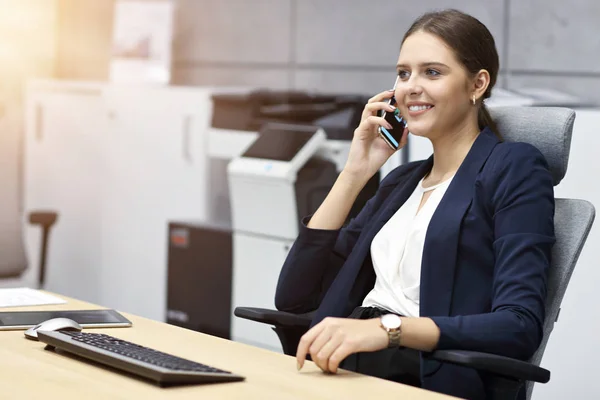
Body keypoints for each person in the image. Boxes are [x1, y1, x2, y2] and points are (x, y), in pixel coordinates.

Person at [274, 8, 555, 400]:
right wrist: (356, 172)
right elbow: (295, 298)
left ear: (478, 84)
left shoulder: (513, 167)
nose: (410, 87)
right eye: (403, 73)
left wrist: (387, 330)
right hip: (343, 364)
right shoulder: (402, 183)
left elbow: (518, 325)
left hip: (419, 373)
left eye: (432, 72)